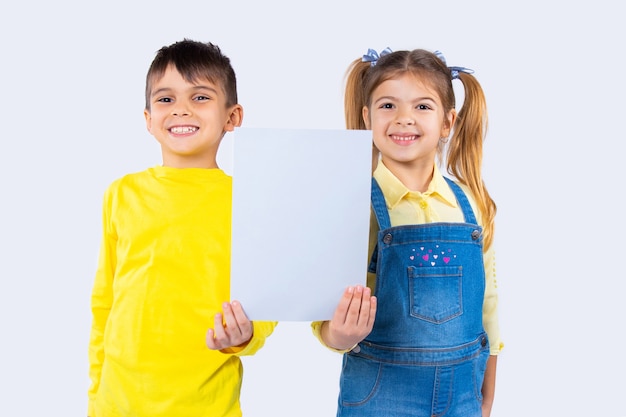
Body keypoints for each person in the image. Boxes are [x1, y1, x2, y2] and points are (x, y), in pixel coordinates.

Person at [87, 39, 276, 417]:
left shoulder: (251, 202)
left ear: (232, 116)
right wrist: (95, 397)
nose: (181, 110)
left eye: (201, 97)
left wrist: (247, 336)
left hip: (206, 404)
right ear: (148, 119)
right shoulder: (122, 194)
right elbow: (104, 303)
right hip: (118, 402)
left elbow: (264, 305)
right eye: (166, 99)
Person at [312, 47, 504, 416]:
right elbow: (323, 315)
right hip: (381, 394)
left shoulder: (472, 203)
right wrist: (340, 335)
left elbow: (489, 307)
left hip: (463, 395)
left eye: (422, 107)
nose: (404, 119)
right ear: (367, 117)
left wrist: (487, 396)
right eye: (388, 106)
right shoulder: (354, 204)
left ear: (447, 122)